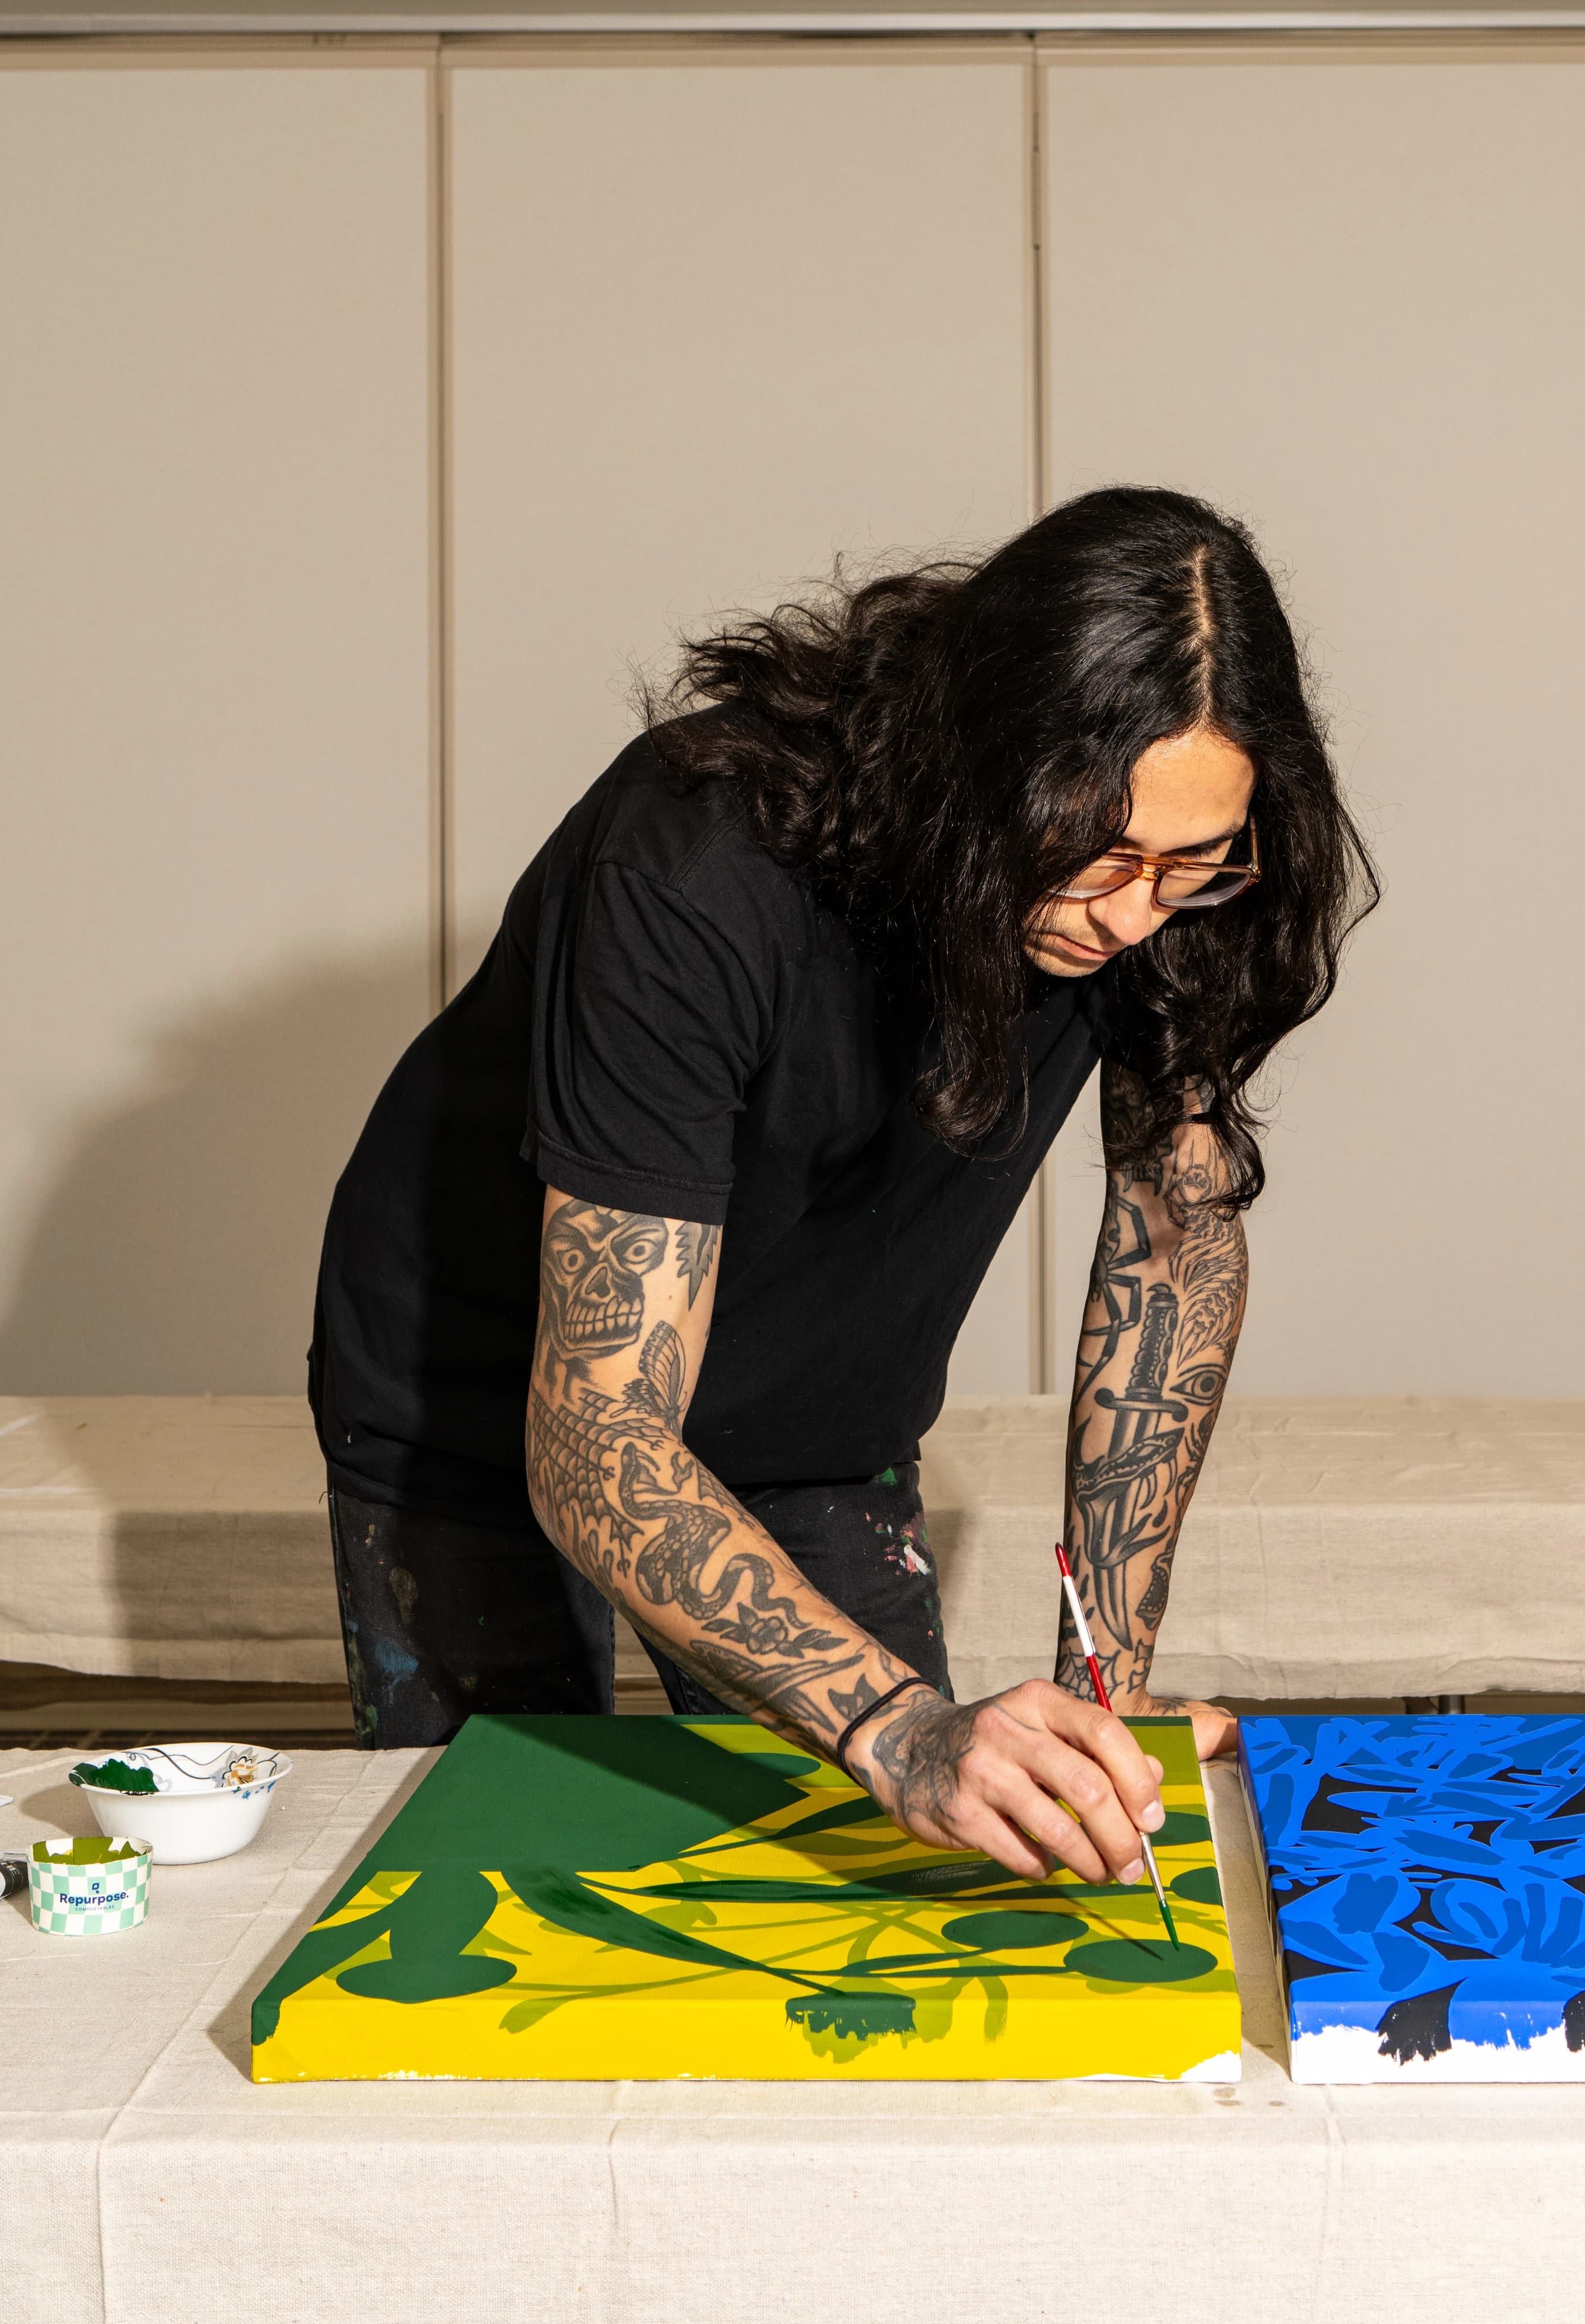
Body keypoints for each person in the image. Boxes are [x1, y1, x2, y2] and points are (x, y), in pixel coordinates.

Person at [310, 485, 1375, 1889]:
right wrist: (899, 1727)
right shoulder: (695, 858)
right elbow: (601, 1441)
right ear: (981, 763)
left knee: (919, 1892)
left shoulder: (1182, 890)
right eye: (1101, 854)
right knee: (508, 1895)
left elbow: (1171, 1257)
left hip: (812, 1419)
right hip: (482, 1391)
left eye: (1187, 864)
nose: (1132, 915)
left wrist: (1102, 1679)